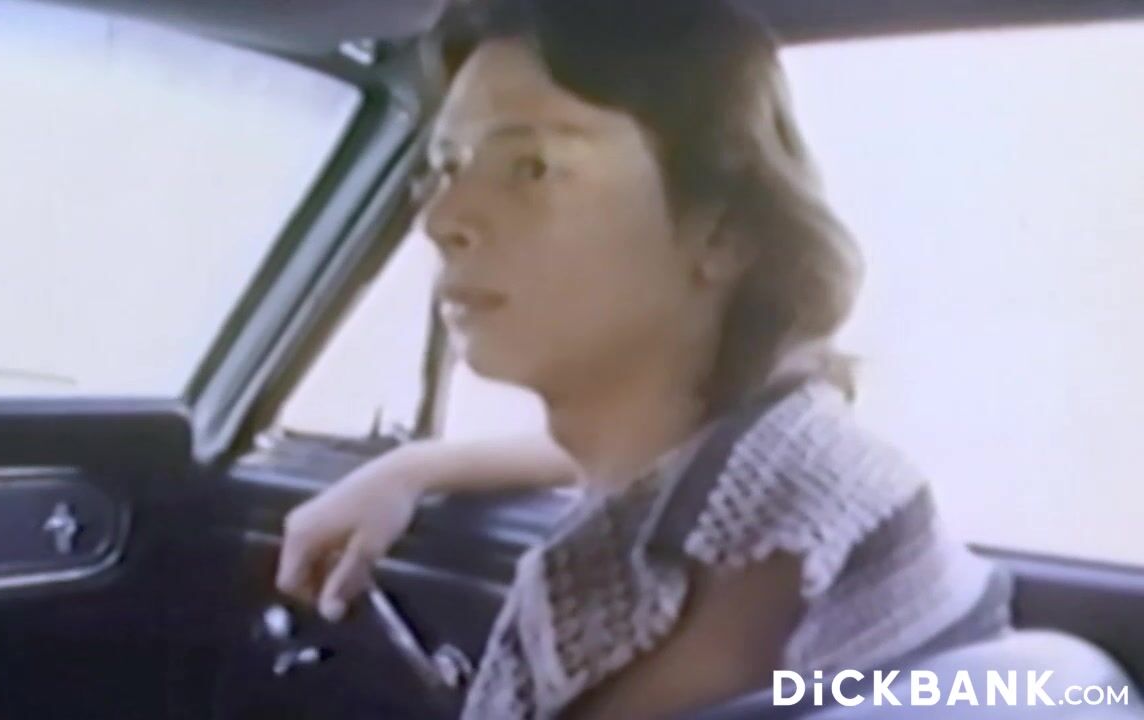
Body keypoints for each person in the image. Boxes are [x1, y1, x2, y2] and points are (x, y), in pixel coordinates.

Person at [275, 1, 1011, 717]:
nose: (440, 219)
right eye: (447, 166)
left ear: (722, 231)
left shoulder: (734, 587)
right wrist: (410, 469)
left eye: (532, 166)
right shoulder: (776, 446)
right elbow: (640, 462)